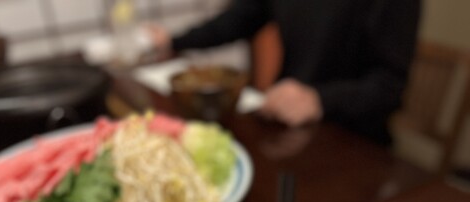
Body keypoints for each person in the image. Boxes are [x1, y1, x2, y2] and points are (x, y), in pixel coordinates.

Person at [147, 0, 421, 145]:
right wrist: (175, 41)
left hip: (352, 143)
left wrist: (320, 99)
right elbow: (241, 17)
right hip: (283, 130)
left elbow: (391, 86)